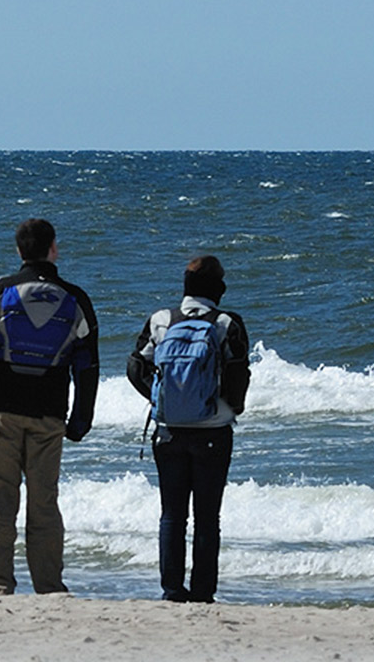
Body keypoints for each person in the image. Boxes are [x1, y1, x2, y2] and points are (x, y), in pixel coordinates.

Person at [0, 217, 99, 595]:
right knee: (44, 504)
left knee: (0, 503)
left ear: (19, 251)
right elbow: (87, 366)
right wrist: (81, 418)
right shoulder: (76, 299)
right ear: (53, 249)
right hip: (49, 415)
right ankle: (49, 587)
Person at [126, 255, 251, 604]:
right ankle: (202, 593)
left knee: (172, 515)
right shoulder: (228, 323)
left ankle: (171, 590)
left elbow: (135, 366)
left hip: (168, 432)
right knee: (207, 517)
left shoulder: (161, 320)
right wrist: (230, 405)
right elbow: (238, 375)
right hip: (213, 431)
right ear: (218, 288)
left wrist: (159, 399)